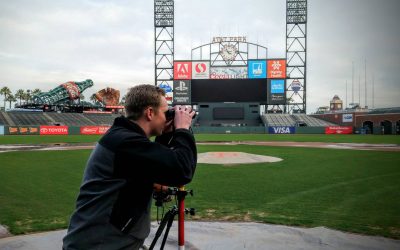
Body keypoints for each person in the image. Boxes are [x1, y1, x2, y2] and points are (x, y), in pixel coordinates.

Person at [62, 84, 197, 250]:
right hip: (100, 243)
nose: (166, 118)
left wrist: (167, 133)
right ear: (149, 113)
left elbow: (155, 165)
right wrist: (182, 129)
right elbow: (181, 171)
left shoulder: (124, 138)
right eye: (164, 113)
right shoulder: (126, 143)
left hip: (102, 239)